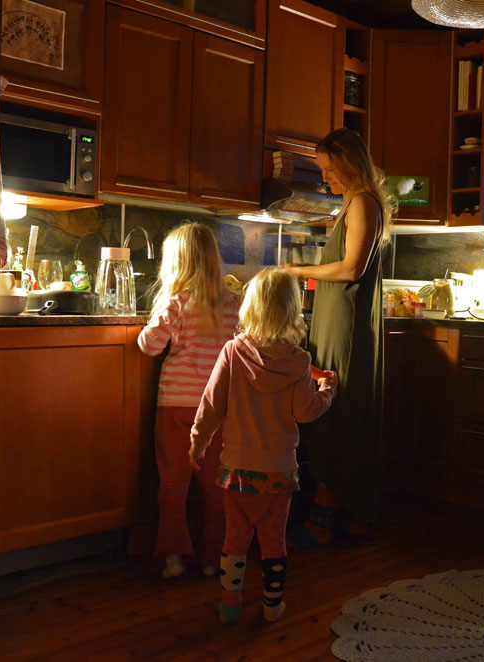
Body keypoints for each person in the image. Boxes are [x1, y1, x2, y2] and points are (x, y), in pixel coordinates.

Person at [189, 267, 337, 624]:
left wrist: (198, 442)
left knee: (235, 539)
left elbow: (211, 404)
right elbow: (306, 412)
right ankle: (272, 606)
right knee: (274, 541)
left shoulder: (233, 352)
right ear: (293, 311)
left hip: (237, 469)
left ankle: (230, 603)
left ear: (249, 308)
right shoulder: (299, 361)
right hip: (278, 472)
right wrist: (328, 389)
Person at [281, 128, 395, 547]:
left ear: (349, 163)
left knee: (341, 412)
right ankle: (351, 514)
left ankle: (321, 521)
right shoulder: (349, 205)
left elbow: (351, 269)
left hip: (346, 324)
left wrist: (296, 272)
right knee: (334, 407)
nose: (325, 177)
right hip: (335, 318)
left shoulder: (363, 202)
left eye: (329, 169)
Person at [138, 223, 240, 579]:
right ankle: (214, 558)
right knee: (216, 487)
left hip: (177, 406)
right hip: (218, 409)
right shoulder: (233, 304)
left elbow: (149, 346)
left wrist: (156, 320)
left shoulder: (176, 303)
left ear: (175, 263)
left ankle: (174, 557)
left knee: (173, 484)